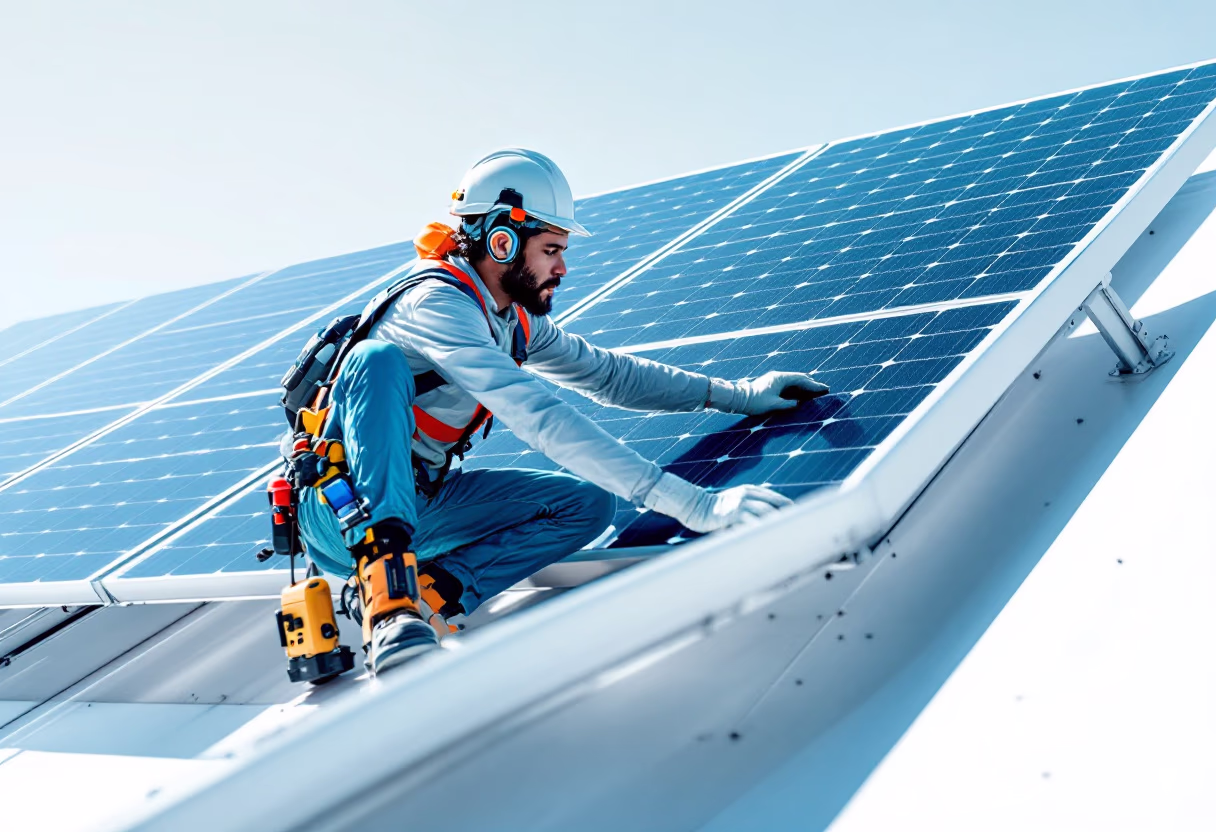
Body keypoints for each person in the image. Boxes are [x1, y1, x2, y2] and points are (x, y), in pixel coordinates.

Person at [295, 148, 829, 674]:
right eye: (551, 249)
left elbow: (612, 376)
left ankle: (434, 595)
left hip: (422, 502)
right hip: (341, 507)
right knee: (376, 358)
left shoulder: (512, 320)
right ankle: (389, 605)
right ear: (502, 241)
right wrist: (695, 506)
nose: (562, 267)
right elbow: (537, 415)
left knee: (587, 507)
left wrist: (740, 394)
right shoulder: (434, 303)